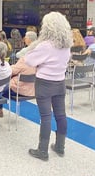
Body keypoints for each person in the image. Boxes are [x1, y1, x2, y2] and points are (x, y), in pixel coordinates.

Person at [25, 12, 73, 161]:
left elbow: (29, 60)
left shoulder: (45, 45)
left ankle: (42, 151)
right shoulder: (67, 45)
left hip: (44, 84)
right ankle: (60, 146)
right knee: (61, 115)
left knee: (46, 117)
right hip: (60, 83)